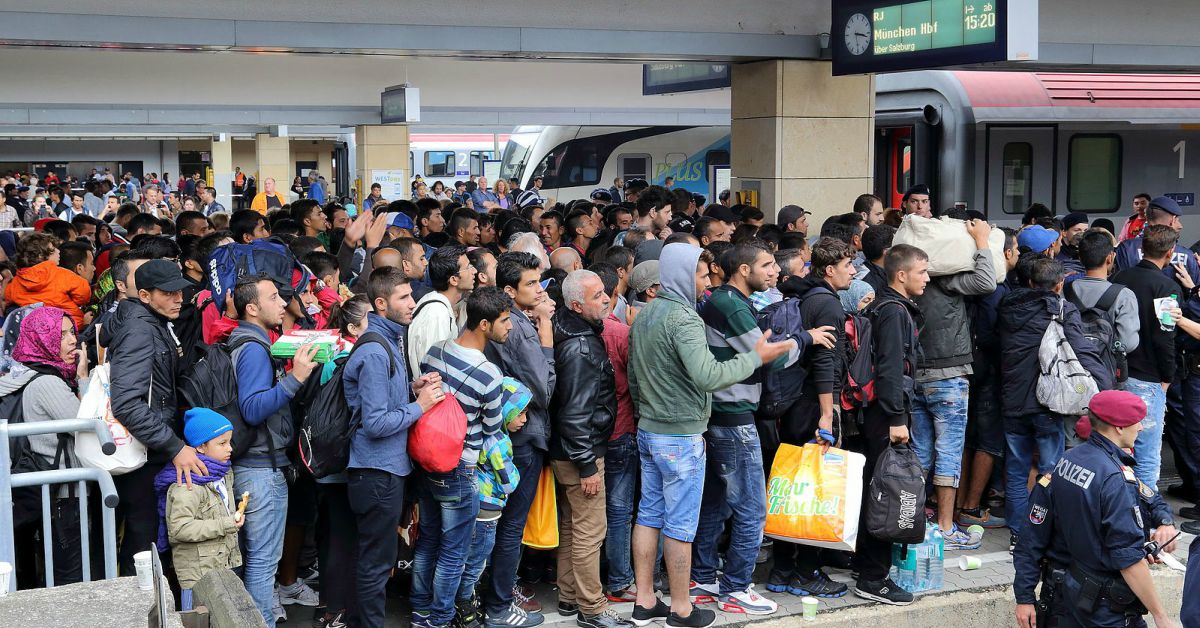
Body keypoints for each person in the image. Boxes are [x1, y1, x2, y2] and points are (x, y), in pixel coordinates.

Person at [627, 242, 793, 628]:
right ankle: (682, 608)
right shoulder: (683, 318)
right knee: (680, 524)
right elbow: (707, 376)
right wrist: (756, 357)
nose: (707, 283)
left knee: (649, 516)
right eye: (701, 275)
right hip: (680, 436)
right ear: (683, 276)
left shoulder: (648, 312)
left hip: (650, 430)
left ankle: (645, 601)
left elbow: (635, 377)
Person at [695, 242, 815, 616]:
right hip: (733, 420)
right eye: (765, 265)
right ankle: (734, 588)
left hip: (719, 417)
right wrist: (805, 339)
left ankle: (702, 579)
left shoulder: (724, 301)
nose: (773, 271)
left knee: (714, 503)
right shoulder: (729, 304)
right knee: (751, 508)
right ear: (742, 270)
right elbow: (767, 359)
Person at [1012, 390, 1179, 628]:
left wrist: (1163, 523)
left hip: (1064, 599)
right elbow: (1128, 561)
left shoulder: (1067, 461)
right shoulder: (1114, 478)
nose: (1140, 428)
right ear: (1119, 428)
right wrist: (1161, 616)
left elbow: (1031, 539)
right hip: (1102, 609)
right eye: (1136, 422)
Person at [345, 266, 443, 628]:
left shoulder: (389, 340)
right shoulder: (375, 351)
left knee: (374, 557)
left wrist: (414, 390)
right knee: (376, 562)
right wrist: (421, 406)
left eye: (411, 295)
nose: (412, 303)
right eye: (404, 297)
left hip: (385, 470)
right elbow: (375, 423)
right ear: (381, 304)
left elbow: (383, 405)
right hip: (376, 472)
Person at [999, 257, 1111, 550]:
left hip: (1011, 400)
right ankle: (1044, 530)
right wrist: (1106, 386)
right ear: (1059, 285)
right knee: (1051, 469)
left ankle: (1017, 534)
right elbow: (1080, 349)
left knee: (1015, 467)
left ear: (1031, 282)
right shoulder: (1062, 309)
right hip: (1047, 402)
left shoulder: (1008, 307)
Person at [417, 287, 514, 628]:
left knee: (428, 540)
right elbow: (492, 427)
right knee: (454, 551)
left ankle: (420, 611)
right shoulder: (489, 375)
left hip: (426, 460)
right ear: (485, 324)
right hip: (460, 468)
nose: (510, 327)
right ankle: (441, 618)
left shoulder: (435, 351)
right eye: (505, 321)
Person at [228, 274, 320, 626]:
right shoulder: (252, 348)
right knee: (263, 562)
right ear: (252, 308)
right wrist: (294, 378)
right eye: (273, 297)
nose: (283, 303)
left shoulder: (250, 342)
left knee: (260, 559)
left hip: (258, 467)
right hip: (260, 471)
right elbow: (252, 408)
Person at [766, 238, 853, 599]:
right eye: (848, 265)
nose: (853, 270)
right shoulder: (827, 305)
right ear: (829, 269)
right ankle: (807, 572)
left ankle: (782, 569)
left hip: (790, 404)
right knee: (816, 489)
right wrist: (827, 415)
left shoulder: (801, 294)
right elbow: (825, 363)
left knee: (792, 485)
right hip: (812, 405)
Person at [109, 260, 208, 573]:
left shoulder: (155, 322)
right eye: (169, 293)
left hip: (152, 450)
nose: (179, 298)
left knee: (149, 539)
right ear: (144, 295)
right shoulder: (140, 330)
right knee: (144, 543)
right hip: (144, 455)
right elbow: (126, 403)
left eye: (180, 290)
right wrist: (174, 446)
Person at [909, 217, 996, 549]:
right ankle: (945, 526)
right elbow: (987, 280)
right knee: (948, 452)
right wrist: (982, 240)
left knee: (919, 453)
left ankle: (913, 524)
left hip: (915, 374)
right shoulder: (947, 279)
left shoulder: (907, 283)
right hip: (948, 376)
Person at [550, 270, 630, 628]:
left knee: (573, 526)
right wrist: (586, 466)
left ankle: (569, 596)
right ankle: (593, 609)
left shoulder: (573, 331)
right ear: (577, 304)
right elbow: (574, 414)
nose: (606, 299)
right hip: (580, 452)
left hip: (568, 450)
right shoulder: (581, 346)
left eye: (604, 293)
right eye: (598, 295)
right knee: (589, 532)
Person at [851, 244, 929, 605]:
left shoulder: (882, 304)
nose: (927, 279)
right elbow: (891, 370)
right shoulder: (895, 311)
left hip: (879, 412)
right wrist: (898, 419)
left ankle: (865, 565)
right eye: (922, 272)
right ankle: (873, 578)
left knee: (877, 487)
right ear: (902, 275)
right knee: (888, 492)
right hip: (888, 415)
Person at [483, 253, 556, 628]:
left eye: (539, 281)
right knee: (511, 525)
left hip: (510, 433)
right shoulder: (522, 328)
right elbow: (543, 389)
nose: (540, 289)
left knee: (500, 522)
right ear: (509, 290)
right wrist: (546, 338)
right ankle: (499, 601)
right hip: (523, 439)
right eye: (531, 283)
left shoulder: (502, 320)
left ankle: (496, 594)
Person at [1, 306, 88, 586]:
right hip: (62, 494)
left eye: (71, 331)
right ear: (42, 340)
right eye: (61, 335)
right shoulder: (48, 382)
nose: (72, 340)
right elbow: (85, 425)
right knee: (69, 575)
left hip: (38, 492)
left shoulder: (21, 375)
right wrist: (85, 379)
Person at [1112, 224, 1181, 489]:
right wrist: (1168, 376)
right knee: (1147, 456)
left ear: (1142, 248)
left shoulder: (1120, 278)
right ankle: (1147, 519)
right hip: (1148, 379)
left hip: (1116, 373)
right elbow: (1165, 336)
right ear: (1170, 252)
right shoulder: (1167, 286)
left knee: (1117, 451)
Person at [458, 376, 531, 628]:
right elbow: (509, 481)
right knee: (476, 562)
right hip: (488, 510)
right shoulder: (499, 442)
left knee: (469, 557)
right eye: (520, 413)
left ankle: (466, 602)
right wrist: (518, 473)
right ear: (506, 411)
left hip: (472, 502)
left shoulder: (480, 431)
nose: (524, 420)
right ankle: (465, 607)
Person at [159, 408, 244, 611]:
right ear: (201, 447)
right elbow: (179, 529)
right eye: (222, 443)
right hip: (197, 580)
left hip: (223, 569)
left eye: (230, 441)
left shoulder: (223, 473)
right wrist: (227, 523)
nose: (229, 448)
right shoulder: (187, 484)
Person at [407, 245, 477, 379]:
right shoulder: (436, 314)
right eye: (468, 267)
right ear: (453, 280)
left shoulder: (439, 306)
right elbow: (433, 369)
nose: (474, 271)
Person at [6, 233, 91, 329]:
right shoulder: (62, 274)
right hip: (68, 326)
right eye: (53, 250)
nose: (58, 251)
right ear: (40, 256)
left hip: (37, 331)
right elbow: (83, 294)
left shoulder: (15, 282)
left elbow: (7, 300)